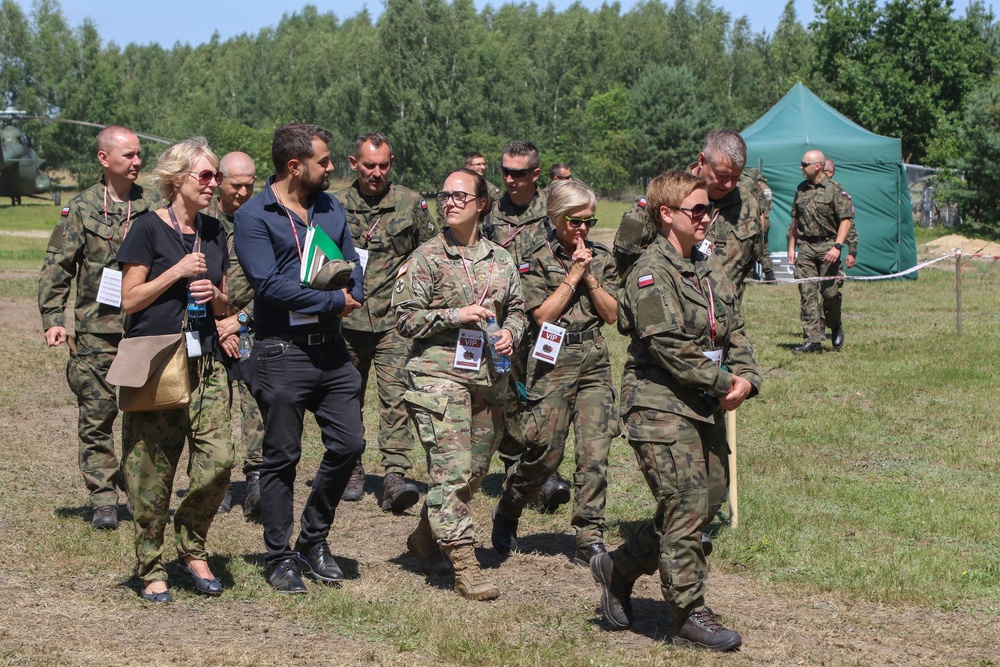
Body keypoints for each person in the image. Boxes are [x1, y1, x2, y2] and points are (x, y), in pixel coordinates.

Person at [591, 171, 760, 651]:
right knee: (685, 502)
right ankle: (687, 613)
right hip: (657, 405)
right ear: (667, 215)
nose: (707, 218)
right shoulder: (651, 272)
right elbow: (668, 346)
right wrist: (726, 382)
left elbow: (735, 329)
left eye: (709, 210)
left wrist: (747, 378)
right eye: (697, 210)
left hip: (702, 404)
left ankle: (617, 568)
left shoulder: (707, 269)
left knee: (701, 505)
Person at [234, 123, 365, 594]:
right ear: (295, 166)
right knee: (282, 457)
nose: (332, 167)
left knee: (349, 444)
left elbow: (352, 261)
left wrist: (354, 292)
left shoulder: (330, 206)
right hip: (281, 351)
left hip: (330, 351)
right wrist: (333, 303)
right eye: (324, 161)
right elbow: (267, 283)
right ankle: (278, 555)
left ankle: (313, 539)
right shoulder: (254, 216)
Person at [393, 167, 526, 600]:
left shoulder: (501, 259)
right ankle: (465, 565)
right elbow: (404, 319)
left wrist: (512, 332)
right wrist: (455, 315)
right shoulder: (426, 257)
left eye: (459, 196)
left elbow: (520, 310)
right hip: (438, 376)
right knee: (451, 472)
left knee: (472, 472)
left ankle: (425, 539)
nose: (448, 202)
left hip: (489, 378)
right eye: (444, 195)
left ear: (481, 204)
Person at [117, 137, 232, 603]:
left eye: (216, 176)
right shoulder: (147, 228)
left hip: (205, 360)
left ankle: (191, 542)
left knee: (220, 461)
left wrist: (216, 298)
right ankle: (149, 564)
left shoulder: (216, 230)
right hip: (158, 360)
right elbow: (129, 300)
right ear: (177, 179)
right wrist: (177, 272)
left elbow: (227, 299)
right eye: (205, 175)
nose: (213, 184)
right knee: (152, 470)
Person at [491, 179, 618, 567]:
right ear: (555, 217)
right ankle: (510, 507)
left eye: (589, 221)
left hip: (593, 355)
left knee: (595, 452)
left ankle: (588, 535)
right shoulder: (532, 258)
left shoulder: (602, 256)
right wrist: (573, 276)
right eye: (575, 221)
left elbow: (611, 314)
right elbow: (542, 314)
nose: (583, 230)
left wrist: (591, 275)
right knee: (547, 450)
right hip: (552, 357)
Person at [38, 125, 158, 529]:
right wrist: (54, 320)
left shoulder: (154, 206)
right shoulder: (82, 208)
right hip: (96, 332)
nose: (137, 161)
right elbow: (57, 268)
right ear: (104, 159)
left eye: (139, 154)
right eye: (128, 156)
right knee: (97, 415)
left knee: (144, 416)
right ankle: (103, 496)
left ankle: (140, 488)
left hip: (145, 329)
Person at [334, 133, 438, 512]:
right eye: (368, 166)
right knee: (347, 398)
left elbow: (430, 253)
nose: (376, 173)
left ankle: (395, 474)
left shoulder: (411, 204)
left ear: (391, 163)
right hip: (346, 319)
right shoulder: (335, 205)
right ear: (353, 163)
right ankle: (351, 468)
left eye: (383, 166)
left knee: (396, 398)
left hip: (394, 322)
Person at [485, 140, 569, 510]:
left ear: (536, 174)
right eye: (504, 171)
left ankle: (544, 468)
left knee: (547, 394)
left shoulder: (554, 210)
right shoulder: (489, 213)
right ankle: (518, 467)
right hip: (505, 321)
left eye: (518, 173)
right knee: (508, 395)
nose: (509, 179)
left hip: (548, 315)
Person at [613, 130, 763, 304]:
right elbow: (625, 258)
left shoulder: (747, 205)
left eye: (735, 177)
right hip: (669, 321)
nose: (728, 184)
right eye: (722, 175)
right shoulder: (663, 196)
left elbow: (749, 261)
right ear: (702, 161)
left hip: (725, 322)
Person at [206, 152, 264, 517]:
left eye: (249, 185)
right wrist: (219, 322)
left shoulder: (262, 218)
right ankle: (217, 481)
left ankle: (257, 478)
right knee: (213, 405)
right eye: (235, 185)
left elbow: (279, 279)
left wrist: (239, 319)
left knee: (255, 403)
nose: (242, 192)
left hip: (252, 326)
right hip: (208, 327)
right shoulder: (201, 220)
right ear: (219, 182)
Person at [788, 150, 854, 353]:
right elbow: (796, 221)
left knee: (830, 293)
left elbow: (846, 221)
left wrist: (838, 246)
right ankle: (812, 339)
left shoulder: (835, 190)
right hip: (806, 247)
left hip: (828, 246)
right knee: (807, 293)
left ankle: (835, 325)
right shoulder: (801, 189)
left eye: (804, 163)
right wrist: (791, 246)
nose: (801, 167)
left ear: (817, 166)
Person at [823, 158, 860, 268]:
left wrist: (852, 251)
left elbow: (848, 225)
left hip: (830, 245)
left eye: (823, 172)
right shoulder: (805, 191)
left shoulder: (838, 193)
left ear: (830, 172)